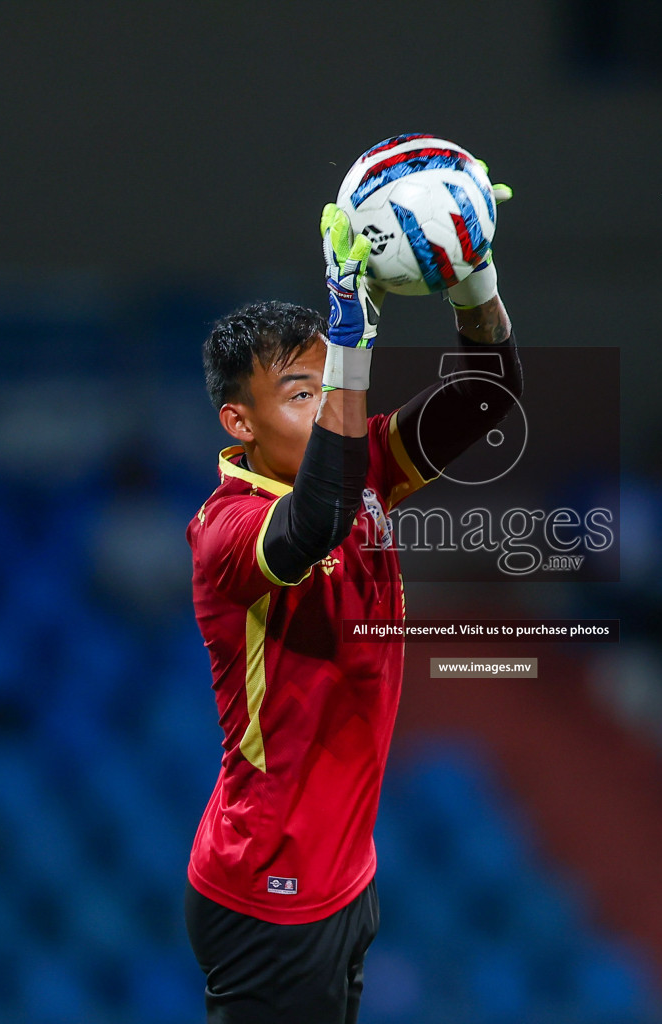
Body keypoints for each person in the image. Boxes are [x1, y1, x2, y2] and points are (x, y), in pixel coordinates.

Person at [183, 188, 521, 1024]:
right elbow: (320, 518)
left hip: (343, 877)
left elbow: (490, 399)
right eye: (303, 391)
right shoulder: (225, 532)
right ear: (240, 422)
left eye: (329, 382)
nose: (330, 399)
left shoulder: (355, 466)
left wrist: (470, 274)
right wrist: (348, 334)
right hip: (270, 889)